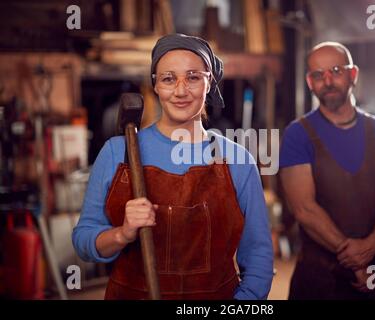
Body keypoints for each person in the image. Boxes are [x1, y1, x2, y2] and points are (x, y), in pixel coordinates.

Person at [72, 33, 273, 300]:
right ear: (155, 85)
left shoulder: (237, 159)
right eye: (168, 78)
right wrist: (122, 233)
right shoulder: (116, 153)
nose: (180, 90)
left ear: (209, 82)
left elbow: (258, 254)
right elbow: (83, 241)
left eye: (192, 77)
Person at [280, 41, 375, 299]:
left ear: (353, 74)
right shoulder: (297, 134)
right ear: (309, 81)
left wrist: (371, 246)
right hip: (319, 277)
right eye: (318, 74)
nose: (327, 80)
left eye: (336, 70)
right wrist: (356, 260)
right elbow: (304, 208)